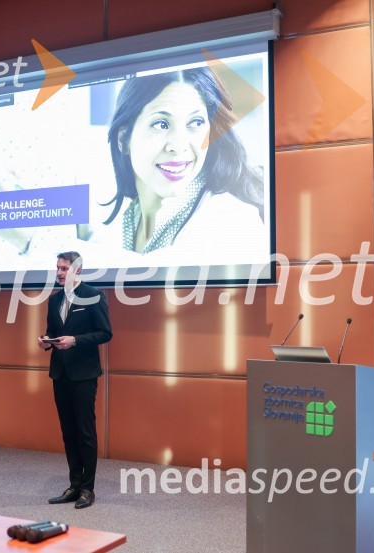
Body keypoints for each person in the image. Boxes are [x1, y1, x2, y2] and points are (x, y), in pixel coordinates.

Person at [103, 66, 266, 257]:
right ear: (123, 139)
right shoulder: (109, 234)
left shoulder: (231, 224)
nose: (179, 146)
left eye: (196, 123)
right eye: (161, 124)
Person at [37, 251, 112, 509]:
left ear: (77, 270)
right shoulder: (54, 299)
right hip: (60, 372)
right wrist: (46, 341)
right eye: (57, 267)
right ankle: (74, 485)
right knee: (68, 432)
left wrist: (76, 340)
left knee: (85, 431)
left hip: (84, 374)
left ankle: (87, 489)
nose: (59, 272)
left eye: (64, 268)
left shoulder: (94, 295)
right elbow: (53, 331)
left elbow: (105, 333)